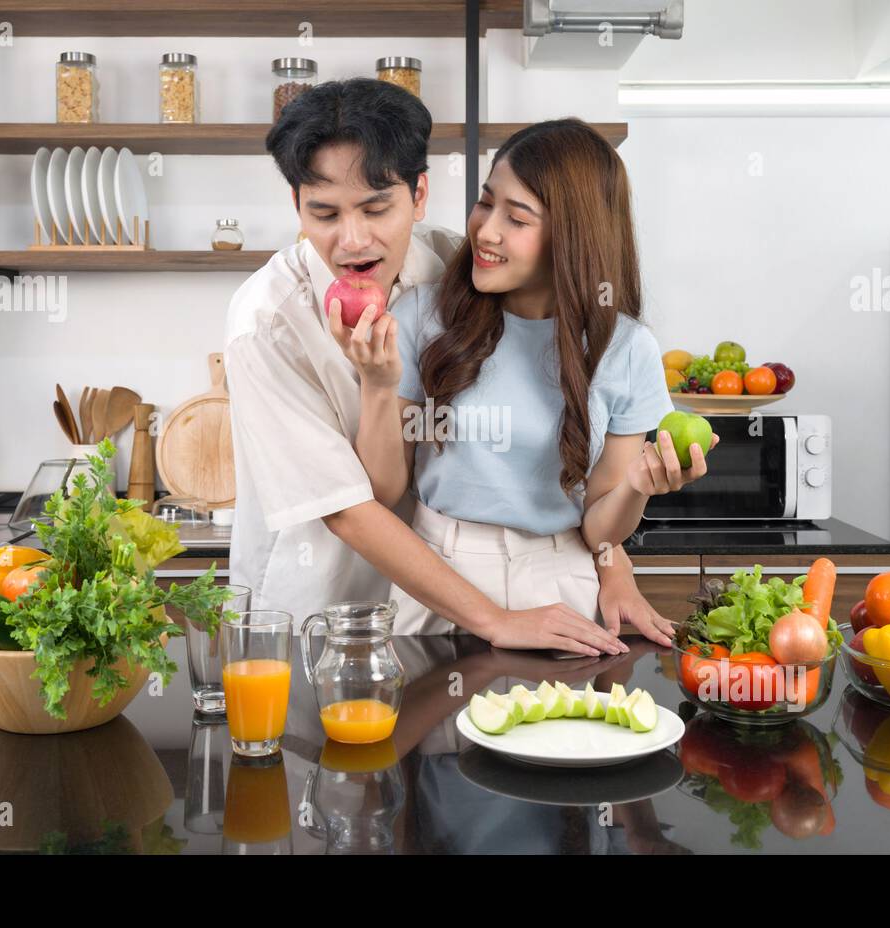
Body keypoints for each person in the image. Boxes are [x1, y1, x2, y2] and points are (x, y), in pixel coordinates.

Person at [224, 80, 676, 655]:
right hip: (315, 598)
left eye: (375, 207)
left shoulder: (453, 267)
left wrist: (613, 565)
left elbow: (554, 464)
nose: (352, 239)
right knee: (321, 742)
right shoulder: (263, 324)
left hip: (438, 592)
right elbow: (351, 510)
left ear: (418, 197)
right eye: (324, 213)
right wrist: (494, 619)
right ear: (296, 207)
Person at [335, 118, 715, 636]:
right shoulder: (424, 316)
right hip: (438, 582)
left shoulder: (626, 349)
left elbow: (600, 530)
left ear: (572, 236)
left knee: (557, 718)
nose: (486, 231)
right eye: (485, 202)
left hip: (561, 584)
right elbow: (381, 491)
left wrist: (637, 487)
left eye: (517, 218)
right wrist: (378, 387)